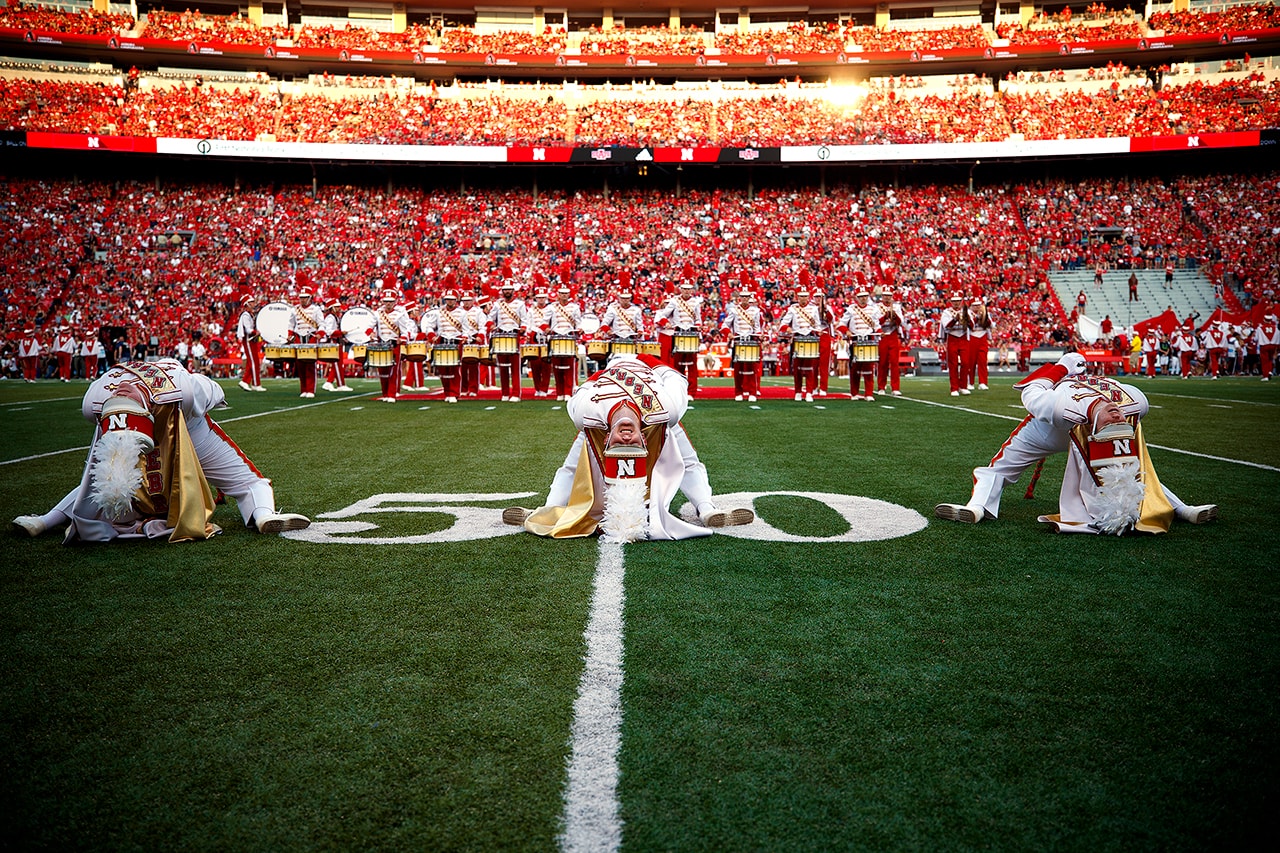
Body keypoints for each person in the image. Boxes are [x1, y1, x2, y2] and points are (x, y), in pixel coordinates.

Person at [11, 358, 310, 543]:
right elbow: (215, 393)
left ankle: (45, 520)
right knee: (249, 482)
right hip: (164, 431)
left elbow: (212, 392)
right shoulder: (106, 398)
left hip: (181, 428)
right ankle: (262, 514)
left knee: (105, 479)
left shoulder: (177, 387)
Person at [934, 353, 1216, 531]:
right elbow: (1134, 402)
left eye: (1117, 415)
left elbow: (1031, 392)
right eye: (1117, 415)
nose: (1118, 414)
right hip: (1070, 427)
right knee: (1130, 470)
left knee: (1128, 473)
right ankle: (976, 508)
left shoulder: (1066, 403)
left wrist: (1058, 369)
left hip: (1063, 429)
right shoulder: (1127, 400)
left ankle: (1180, 509)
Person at [502, 354, 754, 542]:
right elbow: (674, 378)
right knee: (687, 461)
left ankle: (546, 512)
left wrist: (615, 369)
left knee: (572, 466)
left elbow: (585, 387)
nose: (625, 439)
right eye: (632, 444)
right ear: (644, 439)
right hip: (652, 391)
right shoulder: (668, 410)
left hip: (627, 369)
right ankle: (707, 509)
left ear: (606, 439)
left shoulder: (586, 413)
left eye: (619, 445)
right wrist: (653, 364)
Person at [654, 280, 705, 397]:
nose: (686, 291)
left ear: (691, 290)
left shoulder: (695, 302)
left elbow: (698, 319)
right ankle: (679, 390)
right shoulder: (674, 301)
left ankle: (691, 392)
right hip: (678, 334)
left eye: (689, 289)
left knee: (692, 365)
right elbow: (663, 315)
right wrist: (666, 323)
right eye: (684, 289)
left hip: (691, 334)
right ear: (681, 289)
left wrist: (699, 327)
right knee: (678, 364)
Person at [835, 287, 881, 401]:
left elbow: (876, 326)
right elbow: (841, 324)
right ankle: (854, 393)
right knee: (855, 368)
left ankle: (869, 393)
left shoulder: (873, 310)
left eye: (865, 296)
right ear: (857, 298)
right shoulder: (851, 309)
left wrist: (881, 332)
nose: (863, 298)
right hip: (856, 340)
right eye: (861, 297)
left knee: (869, 367)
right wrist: (847, 331)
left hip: (868, 340)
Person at [719, 288, 763, 402]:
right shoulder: (734, 310)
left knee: (752, 368)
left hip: (750, 341)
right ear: (740, 298)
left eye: (746, 297)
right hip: (738, 341)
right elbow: (724, 325)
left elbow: (757, 328)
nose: (744, 299)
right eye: (743, 297)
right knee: (738, 368)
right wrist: (729, 333)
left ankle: (752, 392)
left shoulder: (755, 311)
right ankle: (738, 392)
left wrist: (760, 335)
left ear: (749, 298)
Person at [541, 284, 583, 401]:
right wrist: (546, 329)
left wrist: (580, 329)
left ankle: (568, 392)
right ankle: (559, 392)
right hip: (556, 338)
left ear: (569, 294)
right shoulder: (551, 307)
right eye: (562, 293)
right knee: (557, 366)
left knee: (569, 366)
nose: (564, 295)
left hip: (569, 337)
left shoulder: (575, 307)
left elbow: (578, 322)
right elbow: (544, 322)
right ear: (558, 294)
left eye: (566, 293)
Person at [488, 281, 527, 402]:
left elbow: (524, 319)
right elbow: (490, 318)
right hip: (500, 336)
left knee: (515, 368)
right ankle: (504, 393)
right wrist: (491, 325)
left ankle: (516, 394)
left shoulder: (520, 304)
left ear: (513, 291)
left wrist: (523, 328)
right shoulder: (497, 304)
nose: (507, 291)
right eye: (505, 289)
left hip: (514, 335)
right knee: (503, 367)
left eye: (509, 289)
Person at [290, 286, 325, 398]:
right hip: (298, 338)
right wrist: (290, 335)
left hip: (311, 337)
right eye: (301, 297)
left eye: (305, 297)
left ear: (310, 298)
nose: (303, 300)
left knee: (310, 364)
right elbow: (291, 325)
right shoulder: (295, 310)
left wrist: (320, 334)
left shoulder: (316, 309)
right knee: (300, 364)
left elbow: (322, 324)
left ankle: (310, 389)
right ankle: (303, 389)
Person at [875, 289, 908, 396]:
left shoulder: (896, 307)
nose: (887, 298)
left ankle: (895, 387)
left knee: (894, 363)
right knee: (882, 362)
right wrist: (885, 316)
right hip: (882, 335)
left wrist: (895, 316)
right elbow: (875, 322)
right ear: (882, 296)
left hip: (893, 334)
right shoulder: (877, 307)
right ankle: (881, 386)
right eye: (885, 295)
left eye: (889, 296)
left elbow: (901, 322)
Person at [938, 293, 971, 396]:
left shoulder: (966, 311)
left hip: (963, 337)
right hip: (952, 337)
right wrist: (955, 319)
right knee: (953, 364)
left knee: (965, 362)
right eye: (954, 301)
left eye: (958, 301)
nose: (956, 303)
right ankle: (954, 388)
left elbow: (972, 325)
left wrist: (967, 319)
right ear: (951, 302)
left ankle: (963, 386)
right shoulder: (947, 312)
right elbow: (946, 325)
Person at [236, 293, 266, 392]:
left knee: (253, 362)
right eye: (251, 302)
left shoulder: (250, 314)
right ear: (247, 304)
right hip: (248, 340)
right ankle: (256, 384)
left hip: (252, 340)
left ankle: (245, 381)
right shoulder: (245, 315)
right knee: (254, 362)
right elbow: (248, 329)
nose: (253, 303)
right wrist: (255, 332)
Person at [966, 297, 993, 391]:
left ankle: (983, 382)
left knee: (983, 361)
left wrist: (984, 317)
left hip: (982, 336)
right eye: (975, 305)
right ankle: (970, 382)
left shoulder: (985, 312)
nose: (977, 307)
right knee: (971, 362)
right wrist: (977, 318)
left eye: (978, 305)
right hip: (972, 337)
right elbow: (970, 325)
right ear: (971, 306)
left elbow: (991, 325)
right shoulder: (968, 313)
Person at [1255, 311, 1278, 381]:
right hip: (1273, 345)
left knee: (1264, 361)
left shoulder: (1260, 328)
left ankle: (1265, 375)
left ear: (1264, 320)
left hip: (1264, 345)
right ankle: (1269, 371)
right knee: (1270, 359)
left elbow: (1256, 338)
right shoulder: (1275, 328)